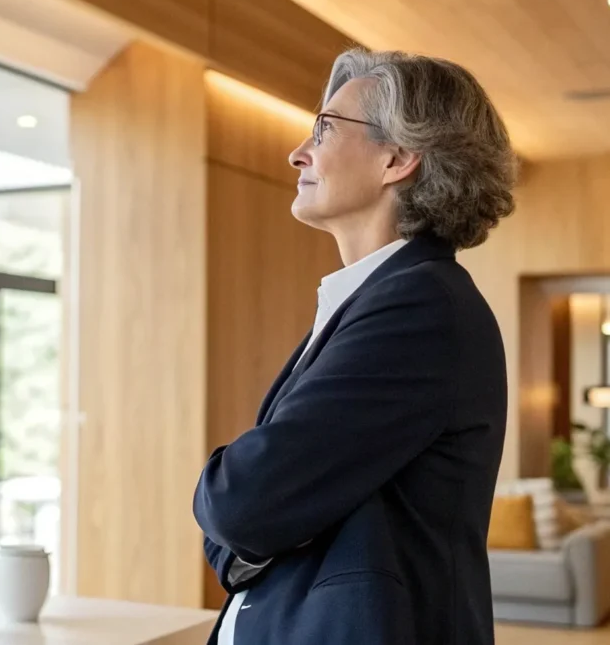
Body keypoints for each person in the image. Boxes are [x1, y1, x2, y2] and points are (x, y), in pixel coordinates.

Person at [193, 48, 516, 645]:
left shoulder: (421, 308)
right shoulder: (381, 298)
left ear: (397, 158)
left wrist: (252, 518)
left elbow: (239, 502)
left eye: (324, 127)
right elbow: (246, 521)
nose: (298, 152)